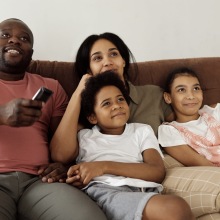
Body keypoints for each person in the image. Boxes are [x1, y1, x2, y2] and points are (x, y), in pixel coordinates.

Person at [0, 18, 106, 220]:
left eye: (24, 38)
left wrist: (63, 165)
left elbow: (64, 142)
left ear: (31, 53)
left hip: (40, 181)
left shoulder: (51, 87)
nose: (14, 40)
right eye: (5, 35)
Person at [66, 71, 195, 220]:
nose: (117, 106)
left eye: (120, 99)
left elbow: (157, 172)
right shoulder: (84, 136)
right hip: (107, 192)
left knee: (176, 208)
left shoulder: (141, 130)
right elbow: (61, 156)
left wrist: (103, 166)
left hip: (145, 190)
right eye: (106, 103)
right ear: (92, 117)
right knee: (175, 208)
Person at [50, 32, 173, 164]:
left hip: (159, 167)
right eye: (97, 58)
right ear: (89, 70)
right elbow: (60, 156)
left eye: (114, 54)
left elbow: (186, 125)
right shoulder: (86, 109)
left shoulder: (153, 94)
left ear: (124, 61)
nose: (108, 62)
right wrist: (78, 92)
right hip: (104, 179)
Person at [158, 67, 220, 166]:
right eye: (181, 90)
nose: (191, 96)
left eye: (196, 88)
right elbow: (205, 166)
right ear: (168, 97)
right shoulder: (169, 131)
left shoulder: (214, 112)